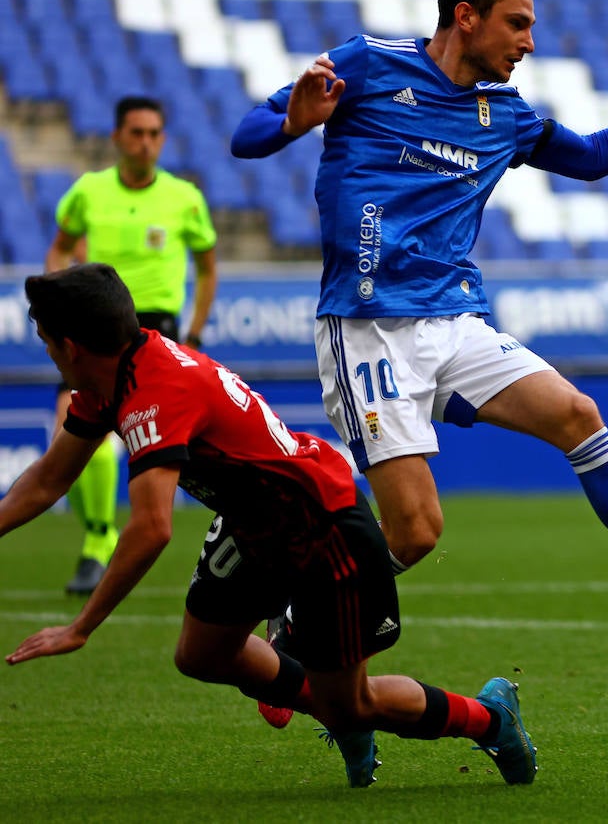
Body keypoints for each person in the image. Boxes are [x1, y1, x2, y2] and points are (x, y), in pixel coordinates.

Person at [230, 0, 608, 657]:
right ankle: (301, 616)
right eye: (516, 23)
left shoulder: (503, 115)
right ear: (466, 16)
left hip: (454, 319)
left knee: (578, 414)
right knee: (416, 535)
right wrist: (292, 124)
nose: (529, 41)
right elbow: (245, 135)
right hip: (367, 329)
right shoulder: (367, 63)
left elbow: (591, 156)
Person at [0, 264, 536, 789]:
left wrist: (81, 627)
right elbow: (48, 480)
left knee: (354, 703)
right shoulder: (110, 376)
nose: (46, 351)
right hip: (252, 522)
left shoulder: (155, 394)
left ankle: (489, 718)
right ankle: (335, 711)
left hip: (322, 528)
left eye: (46, 340)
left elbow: (151, 528)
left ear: (69, 346)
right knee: (202, 655)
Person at [44, 96, 219, 595]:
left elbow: (207, 269)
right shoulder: (88, 192)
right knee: (71, 440)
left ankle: (104, 540)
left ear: (162, 140)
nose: (145, 143)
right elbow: (59, 245)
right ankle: (100, 536)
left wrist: (196, 331)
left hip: (156, 332)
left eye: (154, 134)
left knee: (153, 447)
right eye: (136, 133)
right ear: (118, 137)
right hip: (94, 328)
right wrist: (63, 294)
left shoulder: (184, 197)